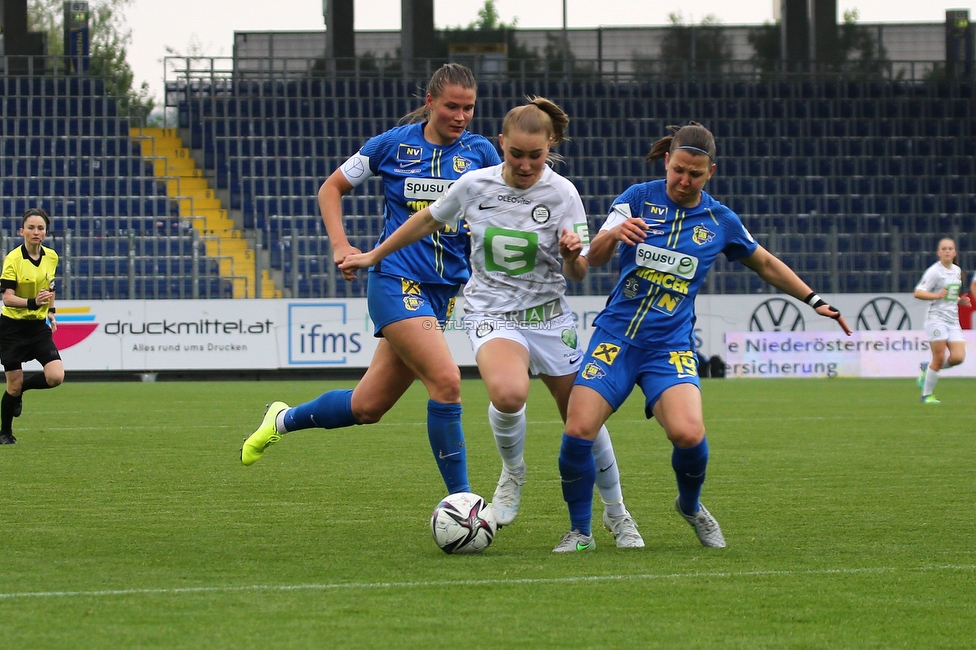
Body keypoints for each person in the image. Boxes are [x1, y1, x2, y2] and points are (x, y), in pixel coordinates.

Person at [340, 97, 644, 547]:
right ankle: (513, 474)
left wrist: (569, 254)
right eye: (515, 154)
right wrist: (374, 254)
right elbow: (425, 220)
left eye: (535, 156)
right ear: (501, 144)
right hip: (491, 312)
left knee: (583, 419)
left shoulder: (564, 194)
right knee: (508, 393)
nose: (524, 165)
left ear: (550, 147)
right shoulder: (473, 184)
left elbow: (580, 271)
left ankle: (618, 516)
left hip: (549, 317)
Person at [551, 122, 853, 553]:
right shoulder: (636, 198)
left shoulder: (719, 220)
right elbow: (592, 258)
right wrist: (615, 233)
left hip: (668, 348)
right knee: (577, 431)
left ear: (711, 171)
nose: (683, 180)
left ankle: (690, 506)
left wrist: (813, 298)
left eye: (694, 173)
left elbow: (765, 263)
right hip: (615, 339)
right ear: (667, 160)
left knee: (690, 436)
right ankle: (581, 532)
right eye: (677, 170)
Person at [241, 64, 501, 497]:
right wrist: (341, 247)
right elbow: (331, 188)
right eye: (451, 106)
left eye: (468, 108)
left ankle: (280, 419)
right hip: (395, 281)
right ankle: (462, 503)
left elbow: (505, 204)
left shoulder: (480, 153)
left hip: (443, 294)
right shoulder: (391, 145)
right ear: (430, 102)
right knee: (447, 381)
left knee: (367, 407)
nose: (460, 116)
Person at [0, 207, 65, 445]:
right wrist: (31, 302)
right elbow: (7, 298)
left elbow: (51, 287)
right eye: (31, 228)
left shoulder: (52, 256)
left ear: (45, 233)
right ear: (22, 231)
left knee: (56, 376)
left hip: (37, 327)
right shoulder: (13, 260)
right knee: (12, 386)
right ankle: (5, 433)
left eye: (40, 228)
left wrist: (51, 311)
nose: (35, 232)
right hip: (12, 328)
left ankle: (21, 391)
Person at [914, 238, 970, 404]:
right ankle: (926, 395)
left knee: (958, 357)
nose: (947, 251)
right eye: (944, 248)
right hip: (936, 319)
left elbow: (949, 295)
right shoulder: (934, 272)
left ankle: (927, 368)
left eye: (950, 248)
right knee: (939, 358)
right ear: (939, 253)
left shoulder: (957, 271)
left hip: (952, 319)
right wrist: (936, 295)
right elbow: (918, 292)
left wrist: (960, 301)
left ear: (955, 252)